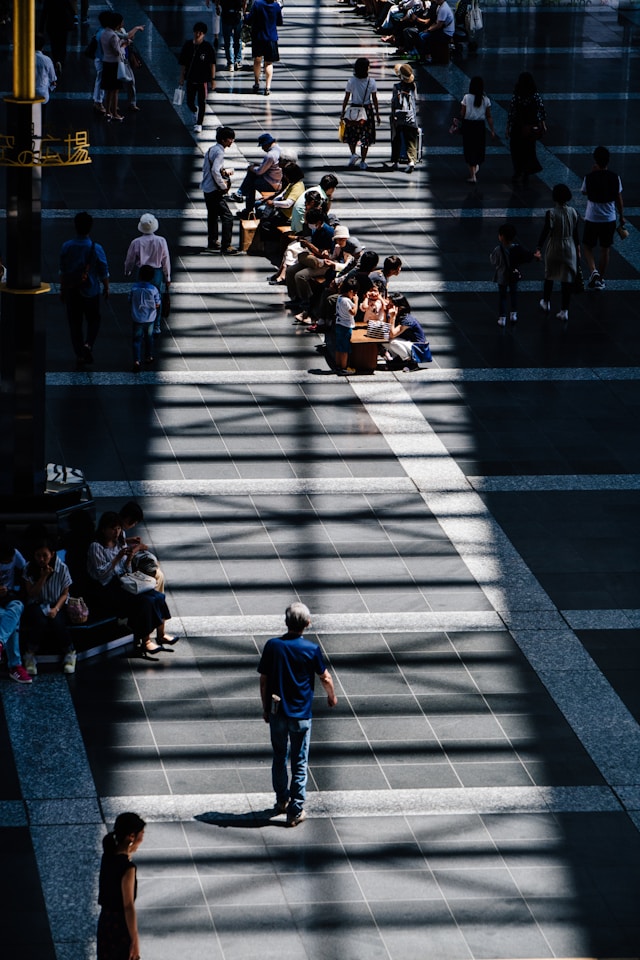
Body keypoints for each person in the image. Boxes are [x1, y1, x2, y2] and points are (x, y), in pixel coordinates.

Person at [258, 602, 337, 827]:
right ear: (308, 624)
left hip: (277, 711)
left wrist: (265, 707)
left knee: (279, 757)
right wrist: (331, 696)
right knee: (299, 762)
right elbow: (325, 677)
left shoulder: (273, 646)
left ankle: (281, 800)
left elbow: (264, 680)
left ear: (286, 621)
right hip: (301, 714)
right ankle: (295, 810)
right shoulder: (311, 649)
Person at [86, 512, 172, 655]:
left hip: (124, 580)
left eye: (119, 528)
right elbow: (101, 574)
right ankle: (146, 641)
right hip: (108, 587)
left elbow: (126, 569)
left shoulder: (120, 541)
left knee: (158, 596)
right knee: (146, 601)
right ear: (103, 529)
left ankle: (161, 634)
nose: (117, 532)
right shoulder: (96, 547)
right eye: (113, 529)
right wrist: (116, 559)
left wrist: (128, 559)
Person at [59, 211, 109, 369]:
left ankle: (79, 354)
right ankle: (88, 344)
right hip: (91, 291)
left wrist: (62, 289)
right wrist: (106, 286)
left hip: (72, 291)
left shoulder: (67, 246)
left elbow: (63, 270)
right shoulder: (96, 247)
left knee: (75, 324)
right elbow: (103, 269)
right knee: (94, 319)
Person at [22, 537, 76, 676]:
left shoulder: (62, 567)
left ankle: (70, 653)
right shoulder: (28, 568)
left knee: (57, 621)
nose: (41, 559)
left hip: (57, 602)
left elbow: (65, 593)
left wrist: (56, 608)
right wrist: (43, 577)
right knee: (40, 621)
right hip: (37, 603)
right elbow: (32, 593)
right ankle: (30, 654)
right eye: (38, 555)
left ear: (52, 554)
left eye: (44, 555)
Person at [97, 812, 146, 960]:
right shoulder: (127, 868)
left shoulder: (107, 856)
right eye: (141, 834)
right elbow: (128, 906)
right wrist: (135, 940)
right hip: (120, 926)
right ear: (131, 836)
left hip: (105, 923)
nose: (142, 839)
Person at [535, 183, 581, 323]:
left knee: (549, 274)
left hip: (554, 245)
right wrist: (577, 248)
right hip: (569, 246)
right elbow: (575, 232)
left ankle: (546, 302)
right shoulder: (573, 212)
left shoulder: (551, 213)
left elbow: (546, 230)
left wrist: (539, 247)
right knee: (566, 280)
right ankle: (564, 310)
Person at [581, 145, 625, 291]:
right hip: (609, 218)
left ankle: (593, 271)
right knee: (605, 249)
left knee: (587, 246)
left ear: (595, 160)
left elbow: (584, 192)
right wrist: (622, 216)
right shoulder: (615, 177)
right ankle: (600, 278)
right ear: (608, 161)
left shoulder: (589, 177)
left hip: (592, 217)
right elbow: (618, 198)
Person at [124, 214, 171, 335]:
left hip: (141, 270)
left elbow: (130, 259)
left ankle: (139, 319)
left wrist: (127, 270)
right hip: (156, 271)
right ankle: (156, 325)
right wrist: (167, 276)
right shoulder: (161, 241)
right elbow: (165, 260)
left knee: (140, 296)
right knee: (157, 298)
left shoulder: (136, 242)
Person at [200, 125, 238, 256]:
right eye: (230, 139)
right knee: (228, 216)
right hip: (214, 189)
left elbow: (210, 168)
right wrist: (223, 186)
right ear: (223, 140)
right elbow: (215, 171)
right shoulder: (220, 152)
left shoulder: (212, 149)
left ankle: (213, 241)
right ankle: (226, 245)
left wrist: (224, 171)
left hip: (207, 187)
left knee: (212, 215)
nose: (232, 141)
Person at [506, 71, 546, 186]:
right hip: (530, 127)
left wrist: (508, 127)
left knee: (516, 150)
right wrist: (543, 125)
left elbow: (512, 112)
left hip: (518, 127)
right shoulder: (535, 96)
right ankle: (527, 171)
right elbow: (541, 111)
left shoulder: (517, 95)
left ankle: (517, 171)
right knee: (529, 150)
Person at [0, 536, 31, 684]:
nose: (9, 562)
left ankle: (0, 642)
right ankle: (15, 666)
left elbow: (26, 568)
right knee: (11, 620)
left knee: (17, 606)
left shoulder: (15, 554)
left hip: (9, 596)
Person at [489, 222, 533, 327]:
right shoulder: (517, 248)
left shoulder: (498, 250)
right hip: (514, 276)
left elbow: (494, 261)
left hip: (502, 277)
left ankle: (502, 317)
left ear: (502, 237)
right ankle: (513, 314)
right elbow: (525, 257)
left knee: (502, 297)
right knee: (513, 295)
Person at [229, 132, 282, 216]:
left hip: (271, 183)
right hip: (276, 180)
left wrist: (251, 168)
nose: (262, 148)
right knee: (252, 175)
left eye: (262, 146)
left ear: (267, 144)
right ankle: (240, 194)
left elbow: (260, 171)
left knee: (251, 183)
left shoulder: (270, 155)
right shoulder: (279, 150)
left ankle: (247, 207)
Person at [341, 57, 381, 170]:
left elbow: (347, 97)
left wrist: (343, 111)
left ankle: (353, 154)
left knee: (351, 134)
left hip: (354, 109)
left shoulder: (351, 81)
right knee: (366, 137)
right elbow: (374, 99)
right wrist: (377, 114)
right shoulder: (371, 82)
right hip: (366, 111)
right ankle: (363, 161)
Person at [178, 21, 216, 134]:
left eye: (201, 32)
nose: (198, 34)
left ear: (204, 34)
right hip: (190, 78)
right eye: (196, 32)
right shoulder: (188, 45)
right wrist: (181, 77)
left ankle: (199, 123)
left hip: (203, 79)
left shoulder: (207, 47)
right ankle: (194, 110)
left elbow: (212, 64)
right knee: (189, 101)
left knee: (202, 101)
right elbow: (183, 63)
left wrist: (213, 79)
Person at [459, 75, 495, 183]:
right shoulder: (486, 100)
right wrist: (492, 130)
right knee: (478, 148)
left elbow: (462, 113)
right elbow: (489, 116)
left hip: (468, 126)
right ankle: (475, 168)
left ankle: (473, 174)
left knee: (469, 149)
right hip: (480, 127)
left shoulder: (466, 97)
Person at [129, 264, 160, 373]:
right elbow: (157, 304)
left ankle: (137, 360)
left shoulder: (134, 288)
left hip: (137, 318)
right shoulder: (154, 289)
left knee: (136, 340)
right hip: (150, 318)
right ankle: (149, 356)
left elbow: (130, 300)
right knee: (149, 338)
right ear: (151, 277)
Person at [247, 0, 283, 95]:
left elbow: (249, 19)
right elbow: (279, 22)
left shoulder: (257, 4)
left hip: (258, 37)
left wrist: (245, 15)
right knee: (269, 63)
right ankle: (267, 87)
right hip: (271, 38)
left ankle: (256, 83)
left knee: (257, 60)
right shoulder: (276, 6)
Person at [389, 63, 419, 173]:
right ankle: (411, 161)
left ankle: (395, 161)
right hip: (410, 117)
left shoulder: (396, 87)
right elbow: (416, 101)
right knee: (410, 140)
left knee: (396, 139)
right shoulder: (413, 86)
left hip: (398, 117)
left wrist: (393, 116)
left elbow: (393, 103)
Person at [100, 10, 126, 121]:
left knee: (108, 89)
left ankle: (107, 111)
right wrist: (124, 45)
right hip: (114, 64)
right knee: (115, 90)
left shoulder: (104, 33)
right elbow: (117, 52)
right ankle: (115, 113)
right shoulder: (113, 36)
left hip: (106, 62)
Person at [334, 277, 359, 374]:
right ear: (351, 291)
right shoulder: (346, 301)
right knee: (344, 349)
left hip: (339, 324)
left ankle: (337, 365)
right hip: (346, 326)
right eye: (354, 293)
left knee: (338, 346)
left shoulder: (339, 297)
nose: (354, 295)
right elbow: (353, 312)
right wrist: (356, 301)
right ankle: (344, 368)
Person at [219, 0, 243, 70]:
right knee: (238, 39)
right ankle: (237, 61)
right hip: (237, 14)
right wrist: (243, 11)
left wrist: (217, 7)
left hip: (226, 15)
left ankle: (230, 63)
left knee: (228, 40)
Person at [35, 34, 57, 106]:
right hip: (43, 95)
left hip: (28, 94)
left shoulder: (25, 59)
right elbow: (53, 79)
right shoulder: (47, 60)